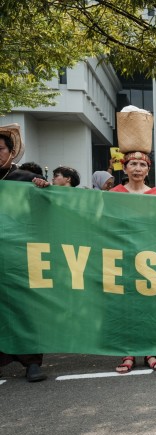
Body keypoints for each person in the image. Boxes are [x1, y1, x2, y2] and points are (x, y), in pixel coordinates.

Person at [109, 150, 156, 373]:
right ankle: (128, 351)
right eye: (132, 164)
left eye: (142, 165)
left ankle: (150, 349)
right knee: (126, 305)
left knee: (149, 304)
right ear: (125, 168)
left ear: (148, 170)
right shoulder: (114, 193)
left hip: (149, 257)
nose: (137, 169)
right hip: (122, 255)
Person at [0, 124, 48, 382]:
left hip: (19, 255)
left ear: (10, 152)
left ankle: (31, 362)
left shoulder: (24, 179)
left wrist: (43, 190)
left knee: (23, 306)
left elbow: (46, 211)